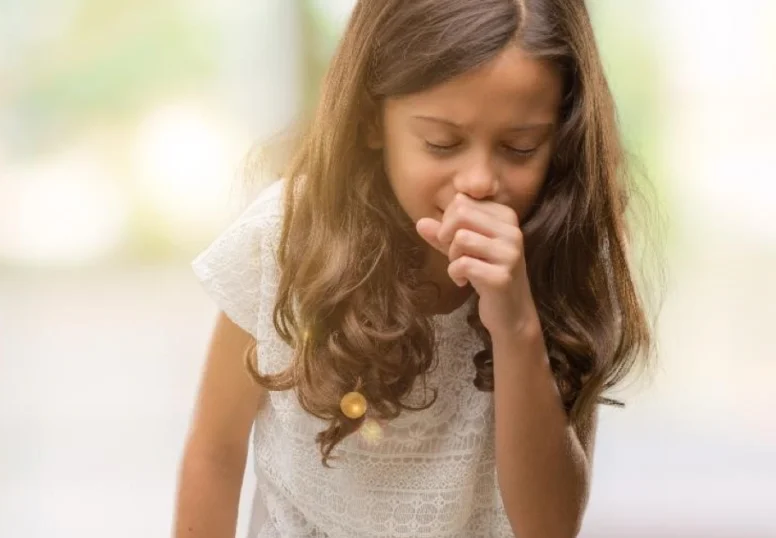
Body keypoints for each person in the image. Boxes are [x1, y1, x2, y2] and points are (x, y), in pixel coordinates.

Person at [174, 0, 658, 536]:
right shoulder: (285, 239)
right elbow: (215, 452)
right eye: (441, 143)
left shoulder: (566, 255)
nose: (478, 180)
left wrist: (517, 326)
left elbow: (549, 526)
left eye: (520, 147)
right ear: (371, 120)